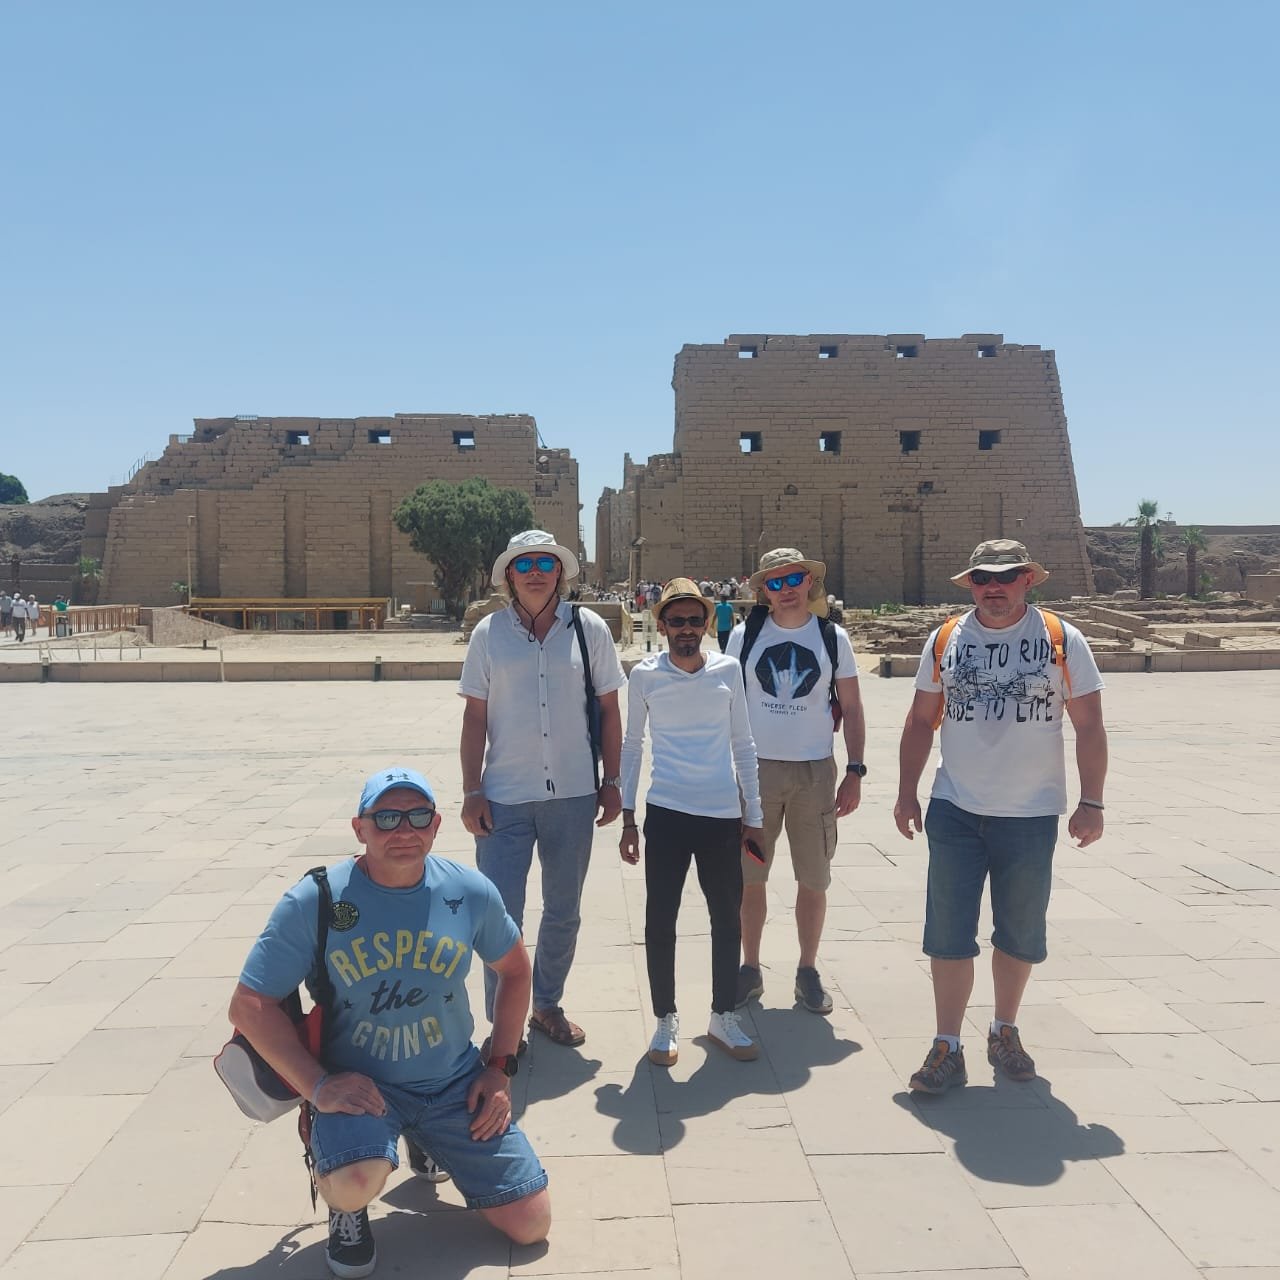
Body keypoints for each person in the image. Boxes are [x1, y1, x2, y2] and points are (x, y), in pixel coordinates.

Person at [228, 765, 549, 1278]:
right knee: (353, 1181)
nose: (404, 830)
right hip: (361, 1084)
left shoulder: (468, 890)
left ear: (436, 825)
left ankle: (426, 1138)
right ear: (360, 828)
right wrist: (318, 1086)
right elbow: (249, 1005)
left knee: (531, 1224)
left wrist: (499, 1068)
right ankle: (346, 1208)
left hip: (453, 1082)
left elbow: (515, 969)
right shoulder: (317, 899)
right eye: (386, 818)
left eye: (418, 816)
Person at [894, 539, 1108, 1094]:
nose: (994, 586)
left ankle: (1003, 1029)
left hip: (1030, 813)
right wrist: (906, 792)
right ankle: (947, 1043)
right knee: (948, 931)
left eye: (1006, 576)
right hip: (955, 808)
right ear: (970, 583)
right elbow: (920, 720)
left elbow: (1089, 724)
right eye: (983, 577)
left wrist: (1092, 801)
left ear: (1027, 580)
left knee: (1018, 930)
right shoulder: (945, 639)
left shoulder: (1062, 639)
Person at [460, 530, 625, 1049]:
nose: (535, 572)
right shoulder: (489, 633)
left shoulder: (588, 629)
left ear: (561, 573)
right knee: (500, 916)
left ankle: (547, 1004)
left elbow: (609, 710)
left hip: (573, 793)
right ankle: (502, 1022)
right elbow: (475, 716)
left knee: (563, 909)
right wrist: (470, 790)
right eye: (525, 564)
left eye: (546, 563)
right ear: (509, 575)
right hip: (504, 795)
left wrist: (612, 781)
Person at [620, 577, 765, 1065]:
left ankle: (723, 1014)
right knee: (661, 919)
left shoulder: (728, 669)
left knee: (726, 918)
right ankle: (665, 1018)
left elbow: (743, 744)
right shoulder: (645, 676)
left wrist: (754, 816)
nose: (687, 629)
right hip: (667, 812)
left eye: (695, 620)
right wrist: (627, 817)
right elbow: (632, 745)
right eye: (677, 620)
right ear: (661, 625)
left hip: (721, 815)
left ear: (707, 624)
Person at [727, 549, 866, 1016]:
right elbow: (726, 704)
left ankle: (807, 968)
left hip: (814, 773)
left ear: (809, 582)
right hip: (756, 773)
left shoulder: (832, 638)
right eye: (775, 582)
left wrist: (855, 770)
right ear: (763, 590)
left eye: (793, 580)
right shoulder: (744, 637)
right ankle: (750, 967)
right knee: (750, 878)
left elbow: (853, 706)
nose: (785, 590)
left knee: (814, 877)